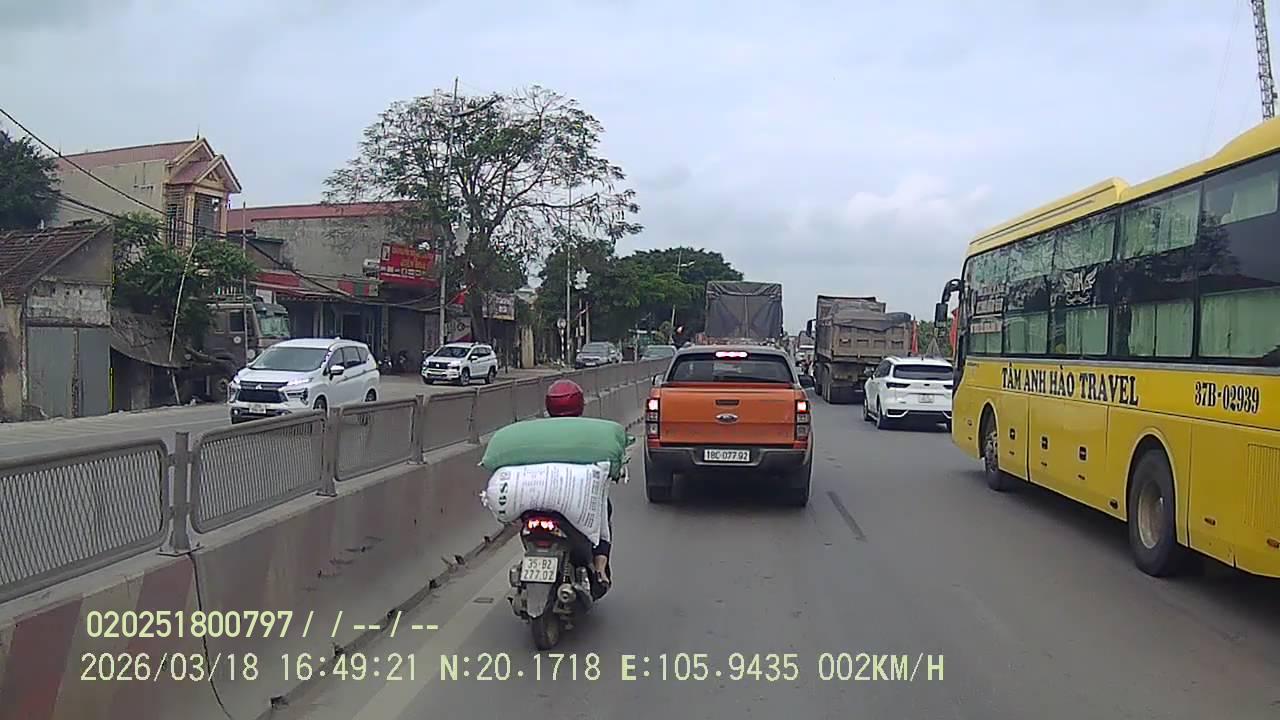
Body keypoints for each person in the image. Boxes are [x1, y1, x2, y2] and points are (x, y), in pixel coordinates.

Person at [544, 378, 613, 590]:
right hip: (572, 505)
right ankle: (600, 568)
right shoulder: (590, 433)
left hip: (541, 501)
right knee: (604, 509)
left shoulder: (537, 434)